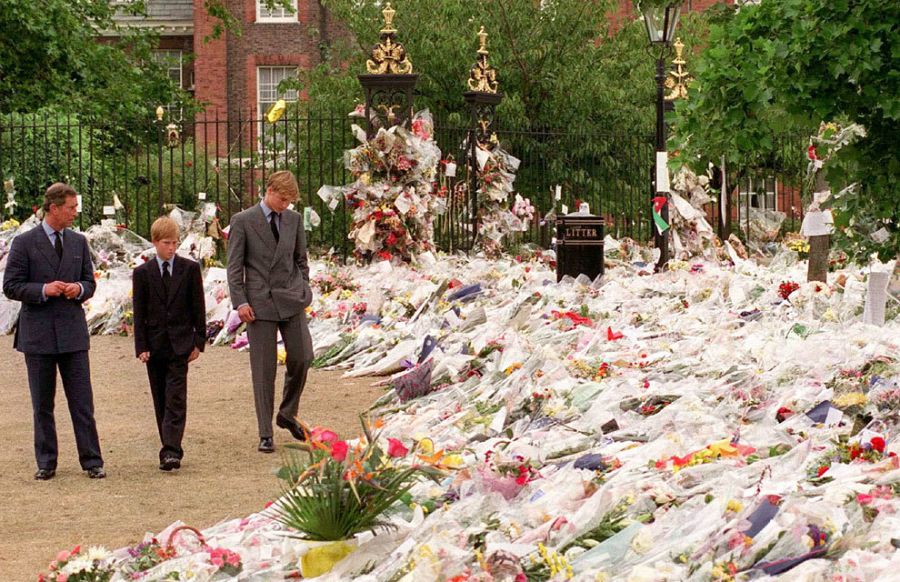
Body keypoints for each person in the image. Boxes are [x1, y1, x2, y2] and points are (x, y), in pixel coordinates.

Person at [2, 183, 105, 480]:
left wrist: (80, 288)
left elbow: (90, 282)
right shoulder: (24, 243)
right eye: (71, 208)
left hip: (72, 333)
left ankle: (92, 460)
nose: (75, 213)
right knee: (42, 404)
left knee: (82, 402)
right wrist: (43, 289)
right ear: (54, 208)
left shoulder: (78, 242)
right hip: (38, 335)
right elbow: (11, 286)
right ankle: (46, 462)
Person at [227, 171, 313, 453]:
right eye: (283, 199)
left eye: (290, 201)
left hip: (292, 299)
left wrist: (305, 288)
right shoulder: (243, 221)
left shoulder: (294, 220)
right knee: (263, 371)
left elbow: (301, 259)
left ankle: (287, 414)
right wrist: (240, 302)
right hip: (259, 304)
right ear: (270, 190)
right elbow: (234, 266)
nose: (286, 205)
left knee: (302, 357)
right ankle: (265, 432)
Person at [132, 216, 206, 471]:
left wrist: (199, 341)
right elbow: (139, 312)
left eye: (175, 242)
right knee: (160, 398)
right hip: (154, 345)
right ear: (154, 243)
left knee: (176, 398)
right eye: (166, 243)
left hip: (180, 345)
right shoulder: (142, 273)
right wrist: (141, 346)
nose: (172, 248)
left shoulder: (189, 269)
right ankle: (168, 445)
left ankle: (172, 450)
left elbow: (199, 307)